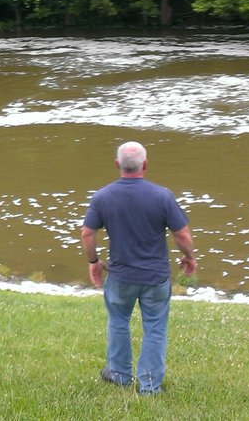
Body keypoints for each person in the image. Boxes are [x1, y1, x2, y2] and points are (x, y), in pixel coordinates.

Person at [80, 141, 196, 394]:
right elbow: (183, 235)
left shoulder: (103, 196)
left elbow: (87, 233)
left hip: (120, 276)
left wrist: (94, 262)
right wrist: (189, 257)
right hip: (155, 278)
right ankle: (150, 385)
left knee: (118, 321)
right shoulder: (162, 196)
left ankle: (120, 374)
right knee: (155, 327)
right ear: (145, 164)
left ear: (117, 165)